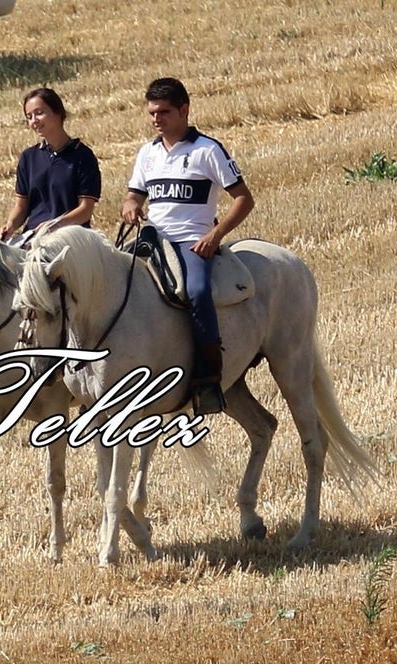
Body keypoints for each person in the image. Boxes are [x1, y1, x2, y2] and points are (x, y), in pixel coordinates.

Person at [121, 77, 255, 416]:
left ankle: (209, 377)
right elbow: (134, 193)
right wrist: (131, 205)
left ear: (184, 110)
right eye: (152, 112)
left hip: (191, 242)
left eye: (164, 112)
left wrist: (215, 235)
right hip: (153, 239)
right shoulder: (148, 152)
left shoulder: (207, 150)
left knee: (196, 290)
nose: (156, 119)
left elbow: (243, 199)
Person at [0, 87, 101, 247]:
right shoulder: (28, 157)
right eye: (29, 117)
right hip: (33, 238)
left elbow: (85, 210)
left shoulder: (83, 156)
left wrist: (54, 225)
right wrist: (11, 224)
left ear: (58, 112)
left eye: (39, 113)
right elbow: (21, 205)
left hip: (71, 239)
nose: (34, 121)